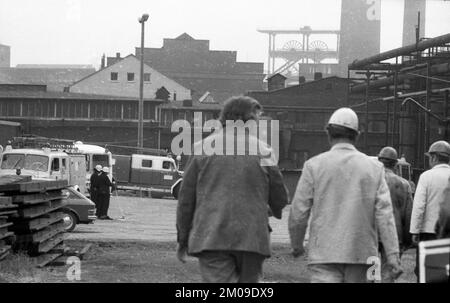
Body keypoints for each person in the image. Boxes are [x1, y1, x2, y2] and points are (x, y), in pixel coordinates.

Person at [176, 96, 289, 283]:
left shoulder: (201, 148)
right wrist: (267, 210)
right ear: (250, 120)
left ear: (223, 118)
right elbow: (280, 197)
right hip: (253, 239)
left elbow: (186, 200)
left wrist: (183, 239)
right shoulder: (264, 151)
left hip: (212, 237)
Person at [288, 107, 402, 283]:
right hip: (363, 256)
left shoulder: (314, 166)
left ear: (328, 133)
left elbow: (299, 211)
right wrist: (393, 255)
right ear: (358, 135)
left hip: (323, 254)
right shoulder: (374, 168)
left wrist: (297, 244)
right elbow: (385, 215)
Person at [410, 140, 450, 278]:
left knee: (425, 272)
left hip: (428, 232)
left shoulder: (426, 177)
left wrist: (414, 230)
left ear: (434, 157)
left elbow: (419, 206)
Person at [377, 146, 413, 282]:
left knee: (371, 273)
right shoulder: (404, 184)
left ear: (379, 161)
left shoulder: (371, 180)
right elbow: (408, 214)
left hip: (372, 236)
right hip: (393, 236)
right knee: (388, 274)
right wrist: (408, 240)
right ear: (396, 164)